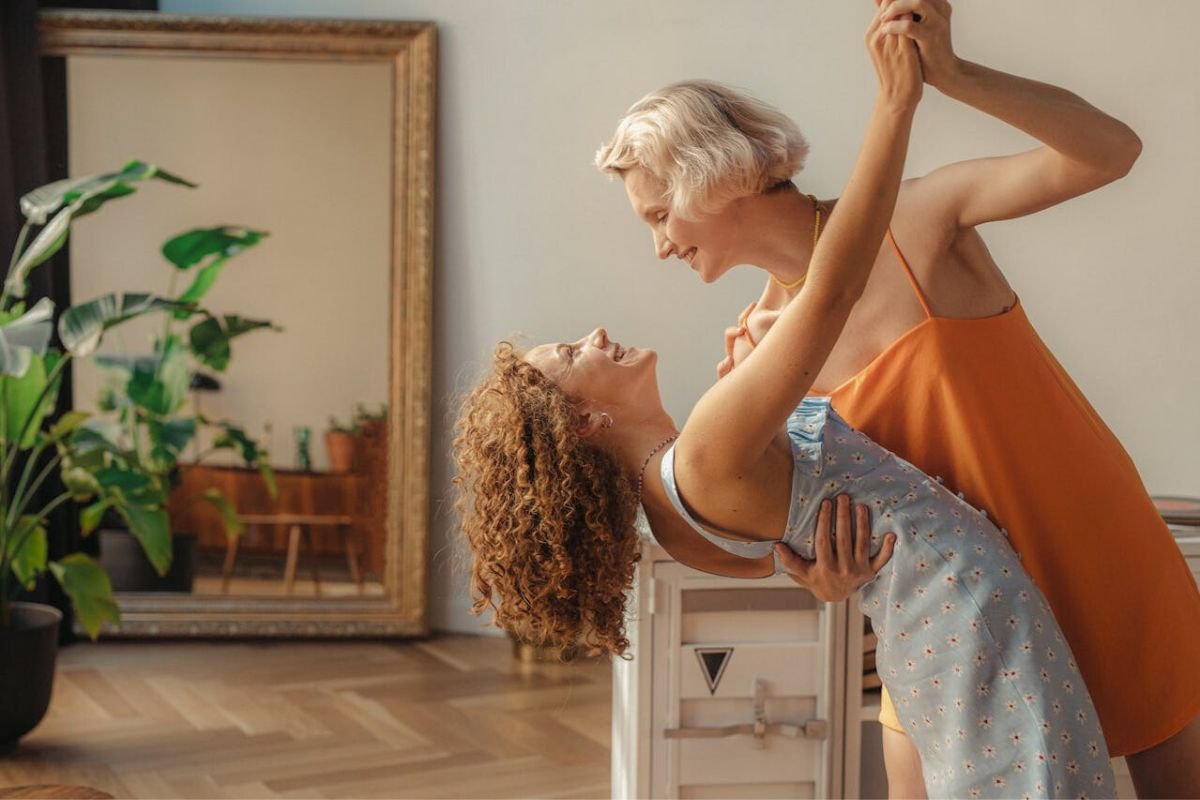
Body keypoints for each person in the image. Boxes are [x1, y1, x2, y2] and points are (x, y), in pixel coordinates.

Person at [456, 15, 1114, 797]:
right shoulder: (702, 451)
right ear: (585, 424)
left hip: (942, 622)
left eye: (661, 215)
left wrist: (830, 578)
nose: (593, 333)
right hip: (969, 616)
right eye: (572, 354)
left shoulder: (676, 503)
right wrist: (894, 106)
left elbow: (799, 557)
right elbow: (832, 291)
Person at [593, 2, 1200, 796]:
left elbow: (1112, 151)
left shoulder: (916, 219)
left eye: (658, 213)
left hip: (1091, 549)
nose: (659, 244)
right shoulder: (752, 352)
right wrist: (822, 577)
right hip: (952, 622)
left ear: (714, 174)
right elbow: (796, 530)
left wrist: (951, 74)